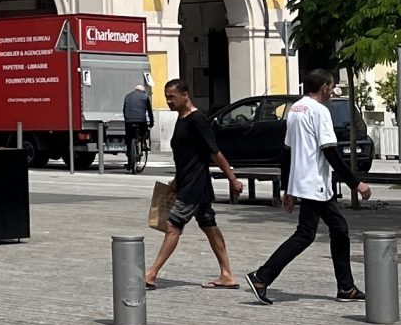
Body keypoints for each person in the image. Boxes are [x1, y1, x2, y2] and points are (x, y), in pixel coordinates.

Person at [246, 69, 371, 304]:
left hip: (304, 182)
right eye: (332, 87)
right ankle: (262, 277)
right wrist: (356, 183)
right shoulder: (319, 111)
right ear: (324, 87)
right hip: (316, 184)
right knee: (305, 235)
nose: (333, 92)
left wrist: (287, 188)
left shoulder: (295, 109)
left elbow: (286, 152)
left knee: (339, 229)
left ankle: (346, 287)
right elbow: (330, 151)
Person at [145, 78, 243, 289]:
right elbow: (188, 155)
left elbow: (214, 152)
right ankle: (227, 275)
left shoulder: (197, 120)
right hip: (189, 182)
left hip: (194, 185)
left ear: (185, 95)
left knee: (173, 226)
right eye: (166, 97)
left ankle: (151, 273)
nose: (168, 101)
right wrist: (177, 180)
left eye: (172, 97)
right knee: (209, 225)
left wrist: (232, 179)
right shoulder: (182, 118)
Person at [122, 77, 153, 169]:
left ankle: (129, 160)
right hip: (141, 121)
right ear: (142, 91)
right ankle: (143, 143)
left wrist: (126, 119)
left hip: (129, 121)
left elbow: (124, 110)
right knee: (145, 132)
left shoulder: (127, 96)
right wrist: (151, 122)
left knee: (129, 139)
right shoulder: (145, 97)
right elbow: (149, 111)